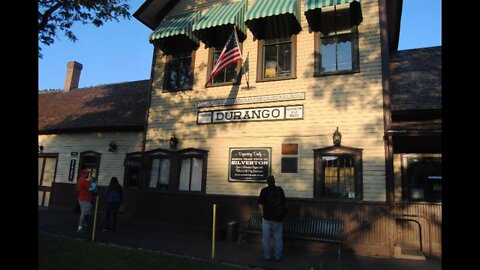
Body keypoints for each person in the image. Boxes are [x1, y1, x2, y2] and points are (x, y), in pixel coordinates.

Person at [258, 174, 286, 261]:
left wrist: (263, 214)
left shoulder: (264, 190)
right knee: (278, 238)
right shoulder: (280, 190)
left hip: (267, 218)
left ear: (267, 182)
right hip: (277, 218)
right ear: (274, 181)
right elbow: (284, 202)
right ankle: (277, 256)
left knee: (266, 238)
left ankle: (267, 255)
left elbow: (260, 204)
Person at [76, 168, 94, 233]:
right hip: (85, 199)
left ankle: (82, 226)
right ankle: (80, 228)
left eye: (88, 173)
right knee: (83, 214)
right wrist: (92, 182)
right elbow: (92, 188)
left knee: (84, 213)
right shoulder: (84, 181)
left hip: (82, 198)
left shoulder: (80, 180)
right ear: (83, 174)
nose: (87, 175)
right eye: (86, 173)